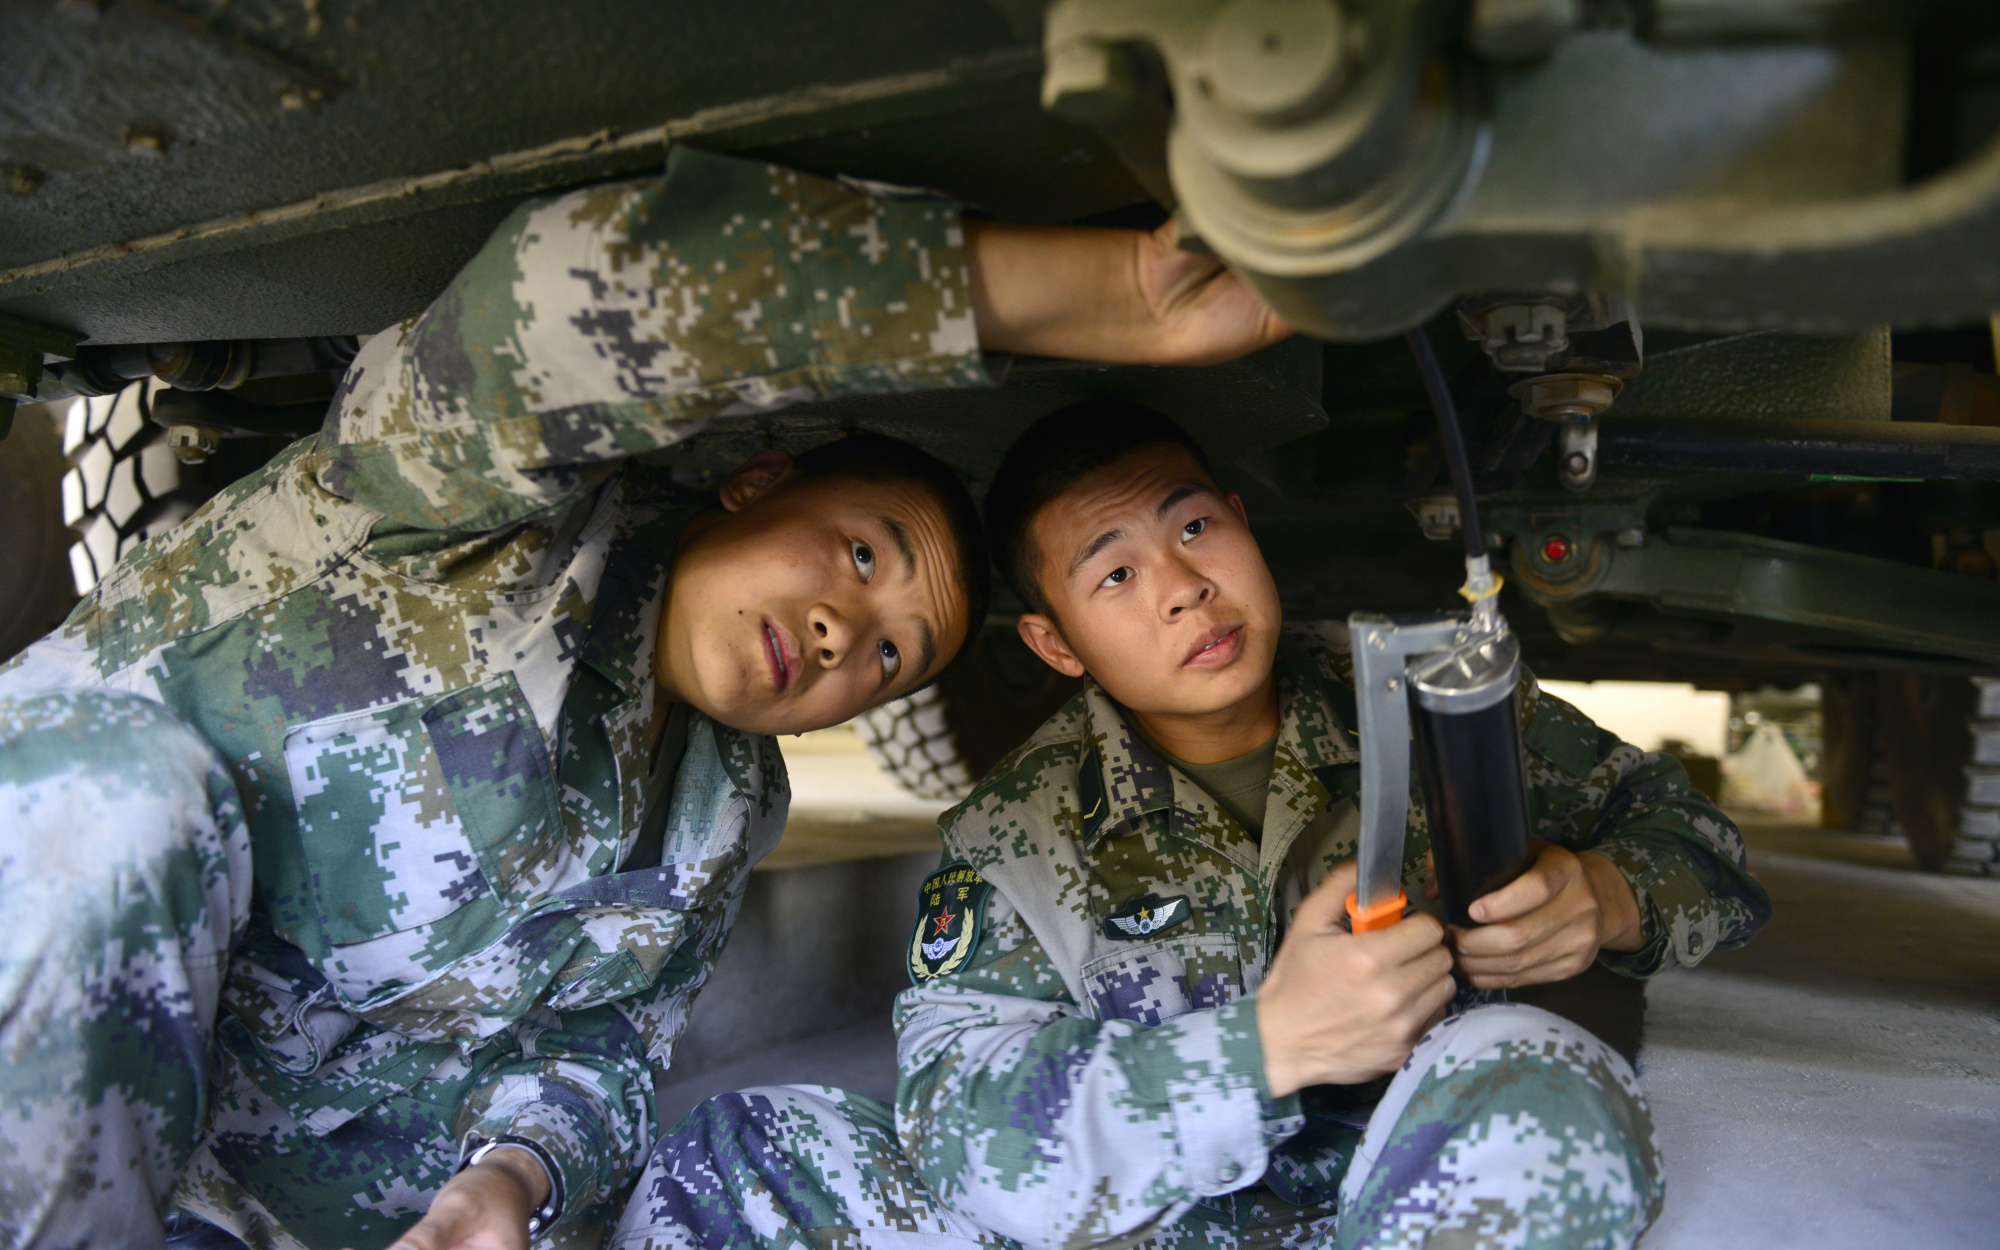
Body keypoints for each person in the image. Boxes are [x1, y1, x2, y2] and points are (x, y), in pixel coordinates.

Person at [0, 154, 1288, 1250]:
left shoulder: (716, 810)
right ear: (756, 481)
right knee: (113, 792)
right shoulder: (458, 523)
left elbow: (606, 1050)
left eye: (892, 660)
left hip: (265, 1209)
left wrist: (507, 1177)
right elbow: (554, 301)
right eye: (858, 555)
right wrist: (1108, 294)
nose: (850, 634)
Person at [628, 401, 1772, 1250]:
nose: (1181, 587)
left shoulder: (1431, 706)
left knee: (1532, 1070)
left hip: (1397, 1206)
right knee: (748, 1152)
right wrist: (1263, 1050)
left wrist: (1601, 896)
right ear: (1056, 645)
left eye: (1192, 532)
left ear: (1241, 524)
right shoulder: (1015, 828)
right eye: (1114, 575)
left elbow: (1695, 843)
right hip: (1151, 1223)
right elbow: (966, 1126)